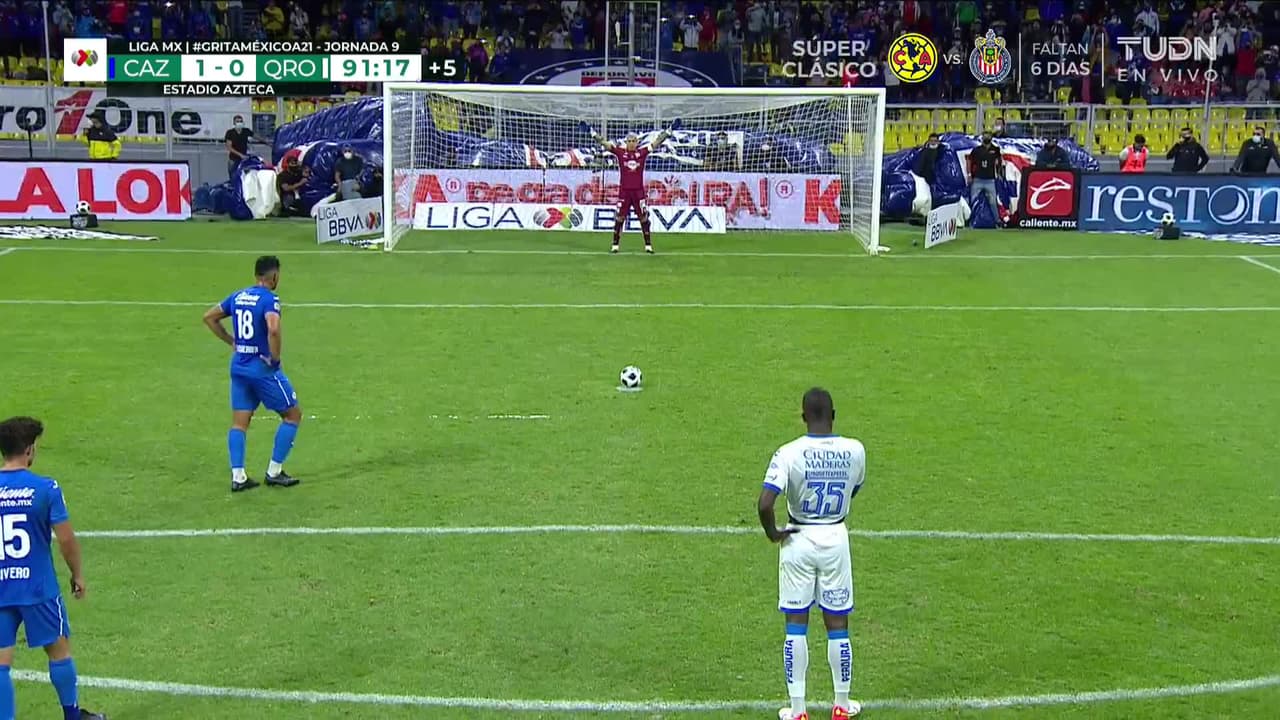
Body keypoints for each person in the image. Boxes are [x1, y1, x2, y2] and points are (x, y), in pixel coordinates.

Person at [758, 388, 866, 720]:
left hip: (798, 538)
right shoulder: (855, 450)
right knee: (838, 624)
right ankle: (841, 705)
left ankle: (798, 710)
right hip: (835, 537)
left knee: (796, 624)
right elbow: (854, 488)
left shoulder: (788, 452)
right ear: (833, 415)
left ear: (803, 416)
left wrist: (773, 533)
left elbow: (765, 503)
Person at [0, 417, 107, 720]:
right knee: (59, 650)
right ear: (29, 449)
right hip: (38, 589)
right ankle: (72, 716)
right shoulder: (45, 488)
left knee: (1, 663)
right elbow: (66, 540)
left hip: (1, 587)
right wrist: (77, 574)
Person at [201, 257, 302, 493]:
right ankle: (274, 472)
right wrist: (274, 359)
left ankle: (238, 476)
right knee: (292, 415)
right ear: (274, 276)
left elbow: (209, 317)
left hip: (239, 367)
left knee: (239, 423)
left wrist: (231, 341)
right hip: (261, 369)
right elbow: (273, 329)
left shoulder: (238, 296)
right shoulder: (269, 299)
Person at [590, 126, 673, 254]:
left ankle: (648, 245)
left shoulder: (642, 153)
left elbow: (656, 142)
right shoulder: (620, 153)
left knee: (643, 218)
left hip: (638, 192)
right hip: (624, 192)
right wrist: (593, 133)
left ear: (637, 142)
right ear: (626, 142)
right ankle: (615, 245)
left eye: (633, 141)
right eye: (629, 141)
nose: (631, 143)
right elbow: (606, 144)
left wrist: (667, 132)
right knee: (620, 218)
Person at [967, 132, 1005, 227]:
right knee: (973, 200)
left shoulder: (995, 149)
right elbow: (969, 160)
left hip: (990, 179)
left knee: (993, 202)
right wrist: (969, 174)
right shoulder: (977, 150)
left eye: (988, 136)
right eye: (985, 136)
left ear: (991, 137)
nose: (986, 137)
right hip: (978, 179)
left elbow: (1000, 161)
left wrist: (1000, 173)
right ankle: (969, 220)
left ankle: (997, 221)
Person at [224, 115, 254, 180]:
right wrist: (240, 155)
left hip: (244, 160)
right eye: (237, 121)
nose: (239, 123)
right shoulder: (230, 133)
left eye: (241, 121)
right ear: (234, 123)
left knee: (246, 178)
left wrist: (267, 142)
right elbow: (229, 147)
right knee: (233, 178)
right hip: (233, 160)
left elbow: (256, 136)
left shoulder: (246, 131)